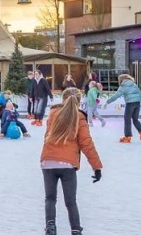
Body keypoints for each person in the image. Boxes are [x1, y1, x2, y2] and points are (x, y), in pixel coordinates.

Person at [40, 88, 102, 235]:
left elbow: (47, 136)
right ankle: (75, 229)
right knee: (71, 201)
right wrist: (97, 167)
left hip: (48, 161)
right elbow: (86, 143)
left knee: (50, 198)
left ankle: (50, 227)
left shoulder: (53, 113)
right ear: (79, 102)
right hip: (67, 164)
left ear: (63, 99)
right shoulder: (79, 117)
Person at [105, 74, 141, 143]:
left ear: (121, 80)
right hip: (137, 103)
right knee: (135, 119)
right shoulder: (134, 84)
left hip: (130, 103)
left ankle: (127, 137)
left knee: (127, 119)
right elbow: (140, 93)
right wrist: (137, 100)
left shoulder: (123, 86)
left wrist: (107, 102)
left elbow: (116, 96)